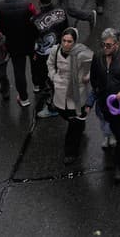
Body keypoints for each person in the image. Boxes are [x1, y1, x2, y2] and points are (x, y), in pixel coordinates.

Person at [85, 27, 120, 183]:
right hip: (105, 106)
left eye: (108, 45)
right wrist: (92, 99)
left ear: (117, 44)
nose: (105, 48)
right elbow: (95, 79)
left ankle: (118, 166)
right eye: (103, 44)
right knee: (111, 130)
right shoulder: (98, 57)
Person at [46, 27, 93, 166]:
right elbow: (50, 64)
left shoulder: (83, 53)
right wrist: (54, 77)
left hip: (77, 93)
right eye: (64, 40)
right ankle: (79, 125)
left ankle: (70, 152)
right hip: (60, 92)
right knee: (65, 114)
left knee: (74, 124)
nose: (66, 44)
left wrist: (87, 76)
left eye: (69, 41)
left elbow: (93, 65)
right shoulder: (55, 51)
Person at [0, 0, 39, 108]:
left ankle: (24, 98)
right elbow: (35, 21)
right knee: (34, 64)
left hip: (13, 43)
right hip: (29, 41)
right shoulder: (27, 4)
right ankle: (36, 86)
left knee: (19, 71)